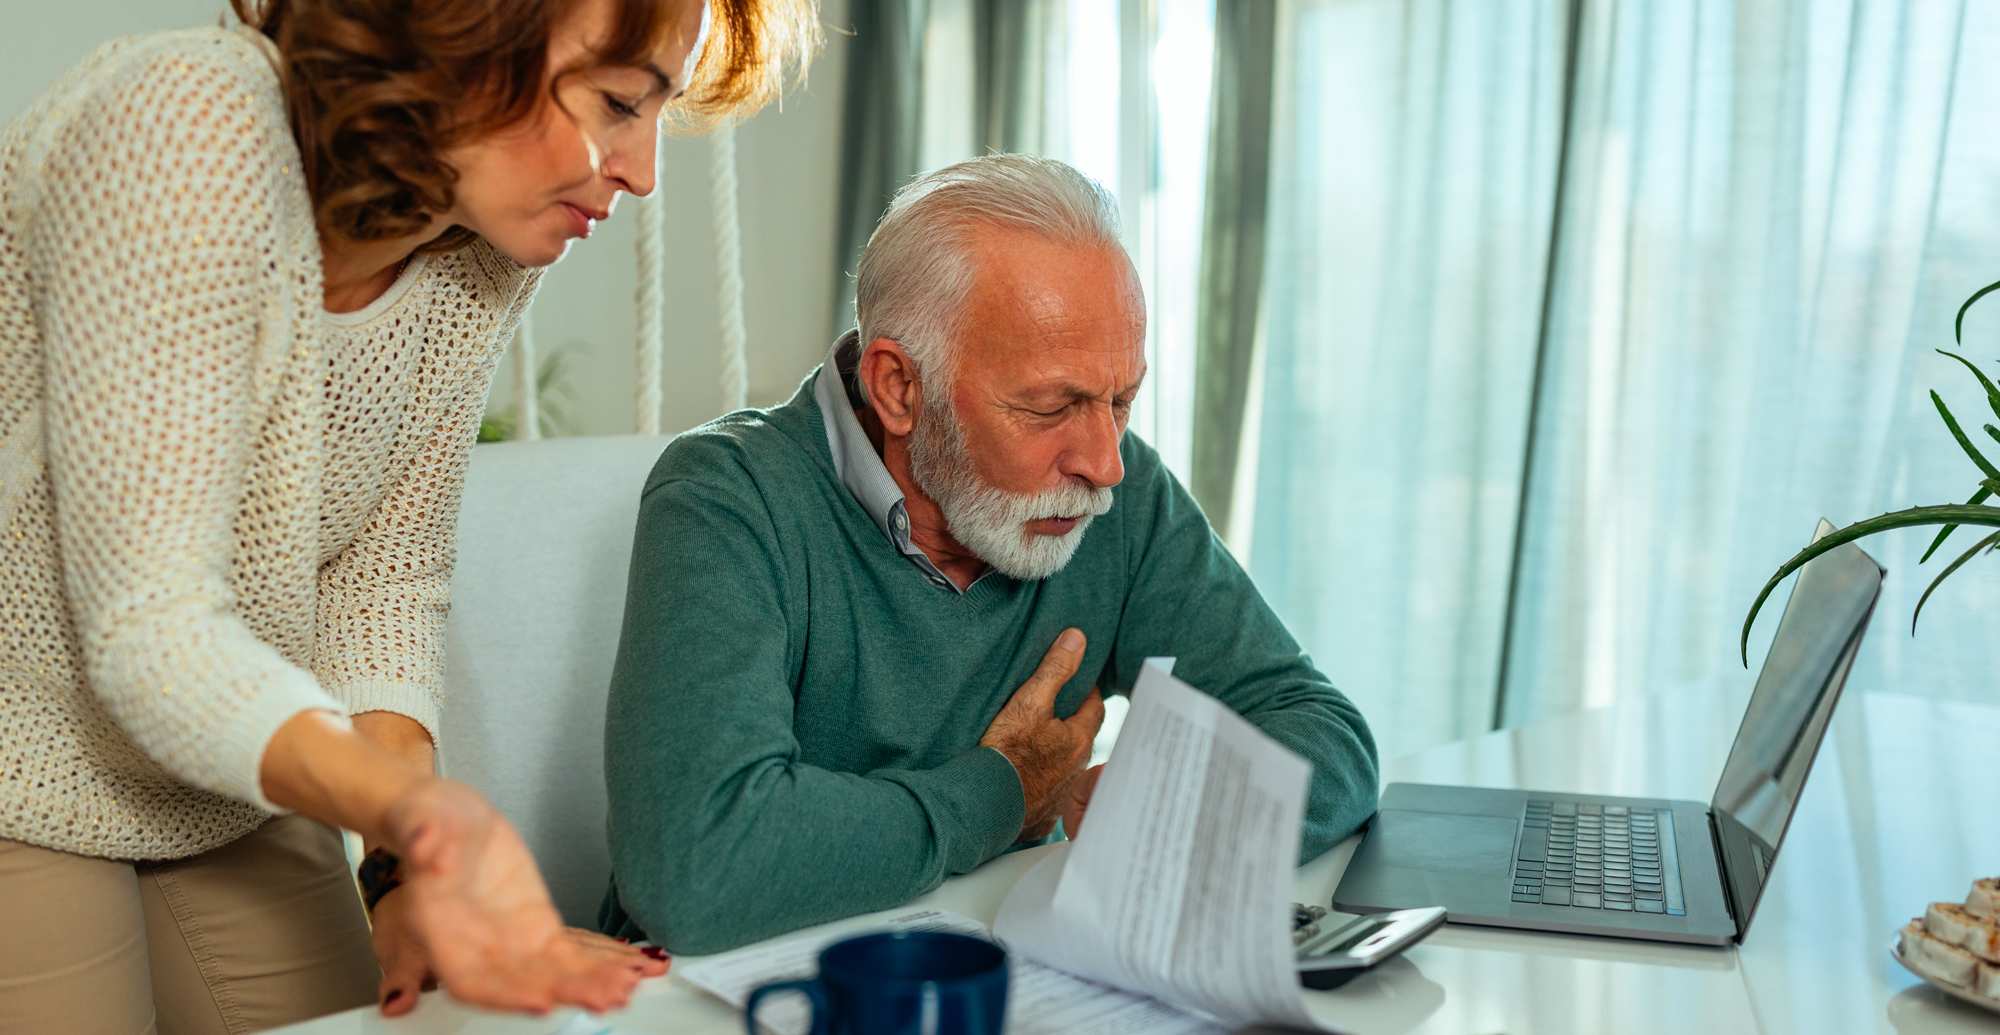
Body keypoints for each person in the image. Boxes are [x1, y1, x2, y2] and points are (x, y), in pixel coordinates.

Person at [0, 0, 817, 1029]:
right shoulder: (188, 122)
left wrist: (399, 874)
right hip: (15, 758)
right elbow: (148, 626)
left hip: (223, 768)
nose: (641, 171)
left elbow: (383, 576)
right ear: (473, 29)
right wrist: (424, 818)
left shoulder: (474, 254)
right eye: (618, 103)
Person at [599, 154, 1380, 955]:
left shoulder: (1116, 492)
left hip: (1004, 971)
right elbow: (696, 865)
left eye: (1121, 399)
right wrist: (1002, 791)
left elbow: (1326, 734)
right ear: (899, 388)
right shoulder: (727, 496)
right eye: (1051, 406)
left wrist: (1197, 815)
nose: (1104, 463)